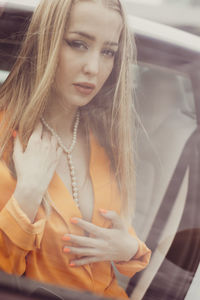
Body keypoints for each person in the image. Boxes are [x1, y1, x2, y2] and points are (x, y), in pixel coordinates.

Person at [0, 0, 151, 298]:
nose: (93, 68)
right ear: (46, 41)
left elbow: (116, 229)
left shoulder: (106, 140)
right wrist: (28, 195)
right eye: (78, 44)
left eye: (108, 52)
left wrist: (129, 248)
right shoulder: (5, 136)